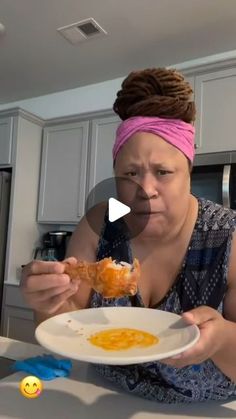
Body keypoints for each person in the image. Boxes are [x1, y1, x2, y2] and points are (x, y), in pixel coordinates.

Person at [21, 68, 236, 403]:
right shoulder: (102, 222)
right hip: (100, 397)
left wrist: (222, 338)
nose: (145, 190)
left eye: (163, 172)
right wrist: (46, 301)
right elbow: (66, 324)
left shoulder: (226, 237)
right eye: (129, 174)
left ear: (188, 172)